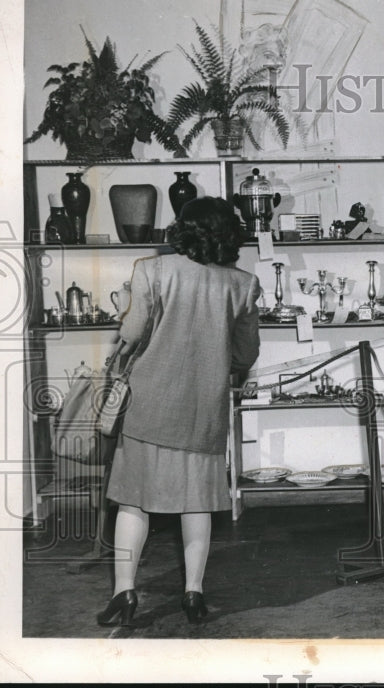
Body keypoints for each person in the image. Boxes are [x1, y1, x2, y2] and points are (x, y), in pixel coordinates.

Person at [96, 197, 261, 627]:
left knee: (133, 504)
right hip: (202, 411)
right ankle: (193, 595)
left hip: (148, 407)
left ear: (182, 229)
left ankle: (125, 593)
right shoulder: (242, 284)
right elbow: (246, 353)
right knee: (196, 505)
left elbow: (132, 335)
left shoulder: (152, 271)